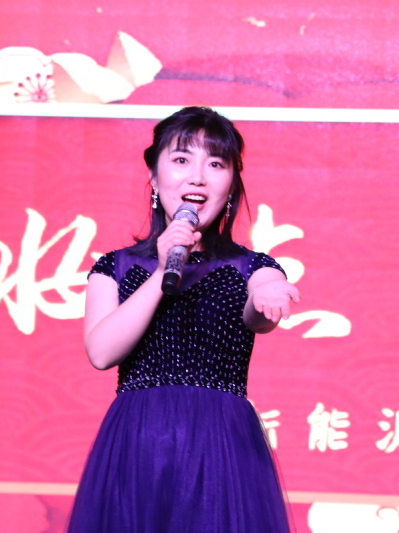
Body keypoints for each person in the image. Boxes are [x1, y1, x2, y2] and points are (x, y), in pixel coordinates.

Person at [67, 107, 300, 533]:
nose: (197, 177)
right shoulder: (114, 267)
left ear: (232, 184)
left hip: (221, 450)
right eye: (181, 159)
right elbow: (101, 353)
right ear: (155, 179)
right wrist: (162, 269)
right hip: (137, 446)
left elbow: (259, 314)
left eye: (216, 164)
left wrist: (268, 295)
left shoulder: (253, 267)